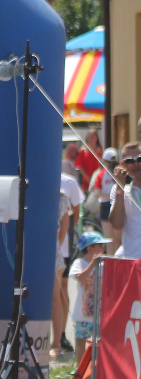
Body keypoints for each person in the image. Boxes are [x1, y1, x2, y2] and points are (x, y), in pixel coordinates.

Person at [52, 172, 85, 358]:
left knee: (60, 292)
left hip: (59, 250)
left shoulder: (67, 185)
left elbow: (73, 219)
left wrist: (60, 243)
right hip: (50, 248)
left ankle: (58, 339)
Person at [69, 232, 111, 365]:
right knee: (81, 342)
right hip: (83, 314)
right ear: (90, 249)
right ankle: (80, 370)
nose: (104, 249)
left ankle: (96, 370)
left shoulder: (104, 265)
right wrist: (93, 264)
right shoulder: (79, 263)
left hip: (100, 315)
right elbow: (80, 277)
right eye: (100, 245)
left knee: (100, 343)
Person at [110, 141, 141, 259]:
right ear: (123, 164)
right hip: (133, 259)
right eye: (130, 161)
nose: (136, 164)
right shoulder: (120, 190)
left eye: (139, 159)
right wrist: (120, 187)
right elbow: (117, 224)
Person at [90, 147, 119, 245]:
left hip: (118, 204)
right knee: (110, 239)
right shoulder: (101, 175)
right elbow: (98, 193)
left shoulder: (121, 174)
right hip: (106, 205)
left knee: (118, 238)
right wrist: (113, 196)